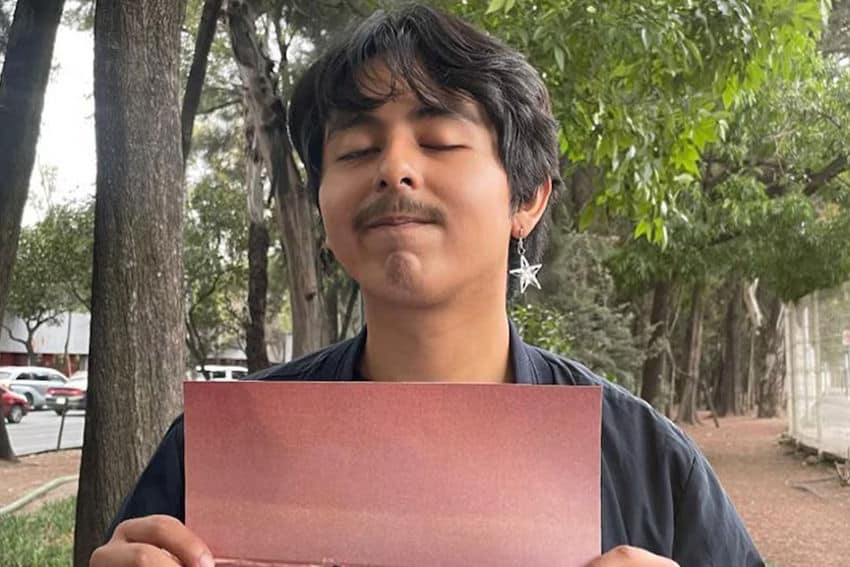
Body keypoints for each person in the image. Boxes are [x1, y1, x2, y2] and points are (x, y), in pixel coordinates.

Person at [90, 5, 764, 567]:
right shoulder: (211, 454)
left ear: (527, 197)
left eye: (439, 140)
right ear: (324, 204)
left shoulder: (647, 464)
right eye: (356, 150)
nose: (394, 169)